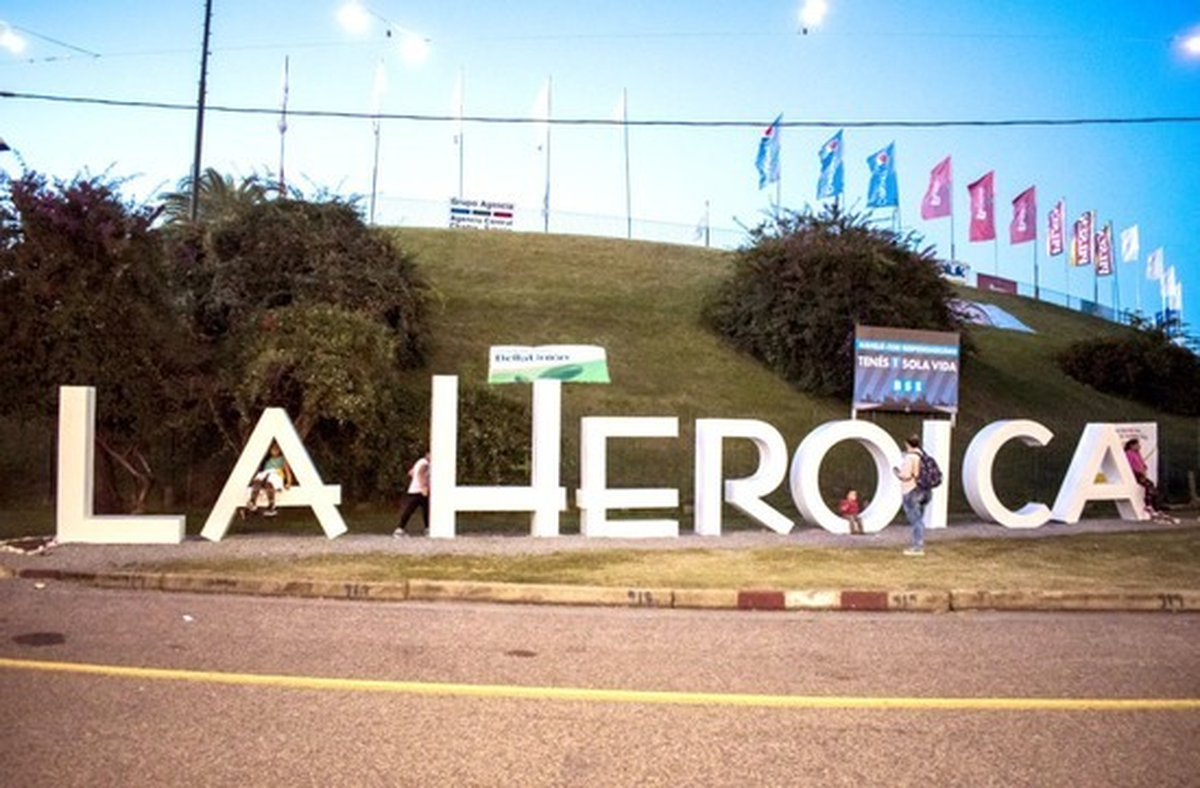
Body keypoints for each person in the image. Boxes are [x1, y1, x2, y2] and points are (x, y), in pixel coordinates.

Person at [893, 435, 927, 556]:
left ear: (907, 444)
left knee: (915, 520)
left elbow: (906, 476)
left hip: (911, 490)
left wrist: (897, 472)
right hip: (925, 491)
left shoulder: (910, 458)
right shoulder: (923, 456)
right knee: (920, 518)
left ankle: (918, 546)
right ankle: (919, 543)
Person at [1124, 438, 1172, 521]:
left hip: (1141, 474)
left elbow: (1141, 463)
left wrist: (1144, 467)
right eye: (1137, 445)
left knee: (1152, 488)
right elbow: (1130, 466)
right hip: (1135, 475)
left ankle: (1155, 507)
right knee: (1149, 485)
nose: (1139, 446)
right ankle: (1148, 505)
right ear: (1131, 446)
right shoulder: (1128, 454)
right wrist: (1140, 472)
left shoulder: (1137, 454)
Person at [247, 442, 293, 517]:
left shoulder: (282, 459)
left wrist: (289, 483)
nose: (274, 451)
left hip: (276, 474)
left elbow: (287, 472)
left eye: (276, 449)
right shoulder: (267, 461)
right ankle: (252, 501)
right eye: (272, 449)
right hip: (266, 474)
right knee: (257, 481)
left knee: (269, 484)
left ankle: (271, 506)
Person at [394, 452, 431, 537]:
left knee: (423, 510)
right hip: (419, 491)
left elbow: (411, 472)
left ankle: (401, 529)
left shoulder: (420, 461)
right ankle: (400, 529)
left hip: (414, 489)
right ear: (427, 454)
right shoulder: (425, 463)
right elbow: (421, 473)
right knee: (418, 510)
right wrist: (423, 486)